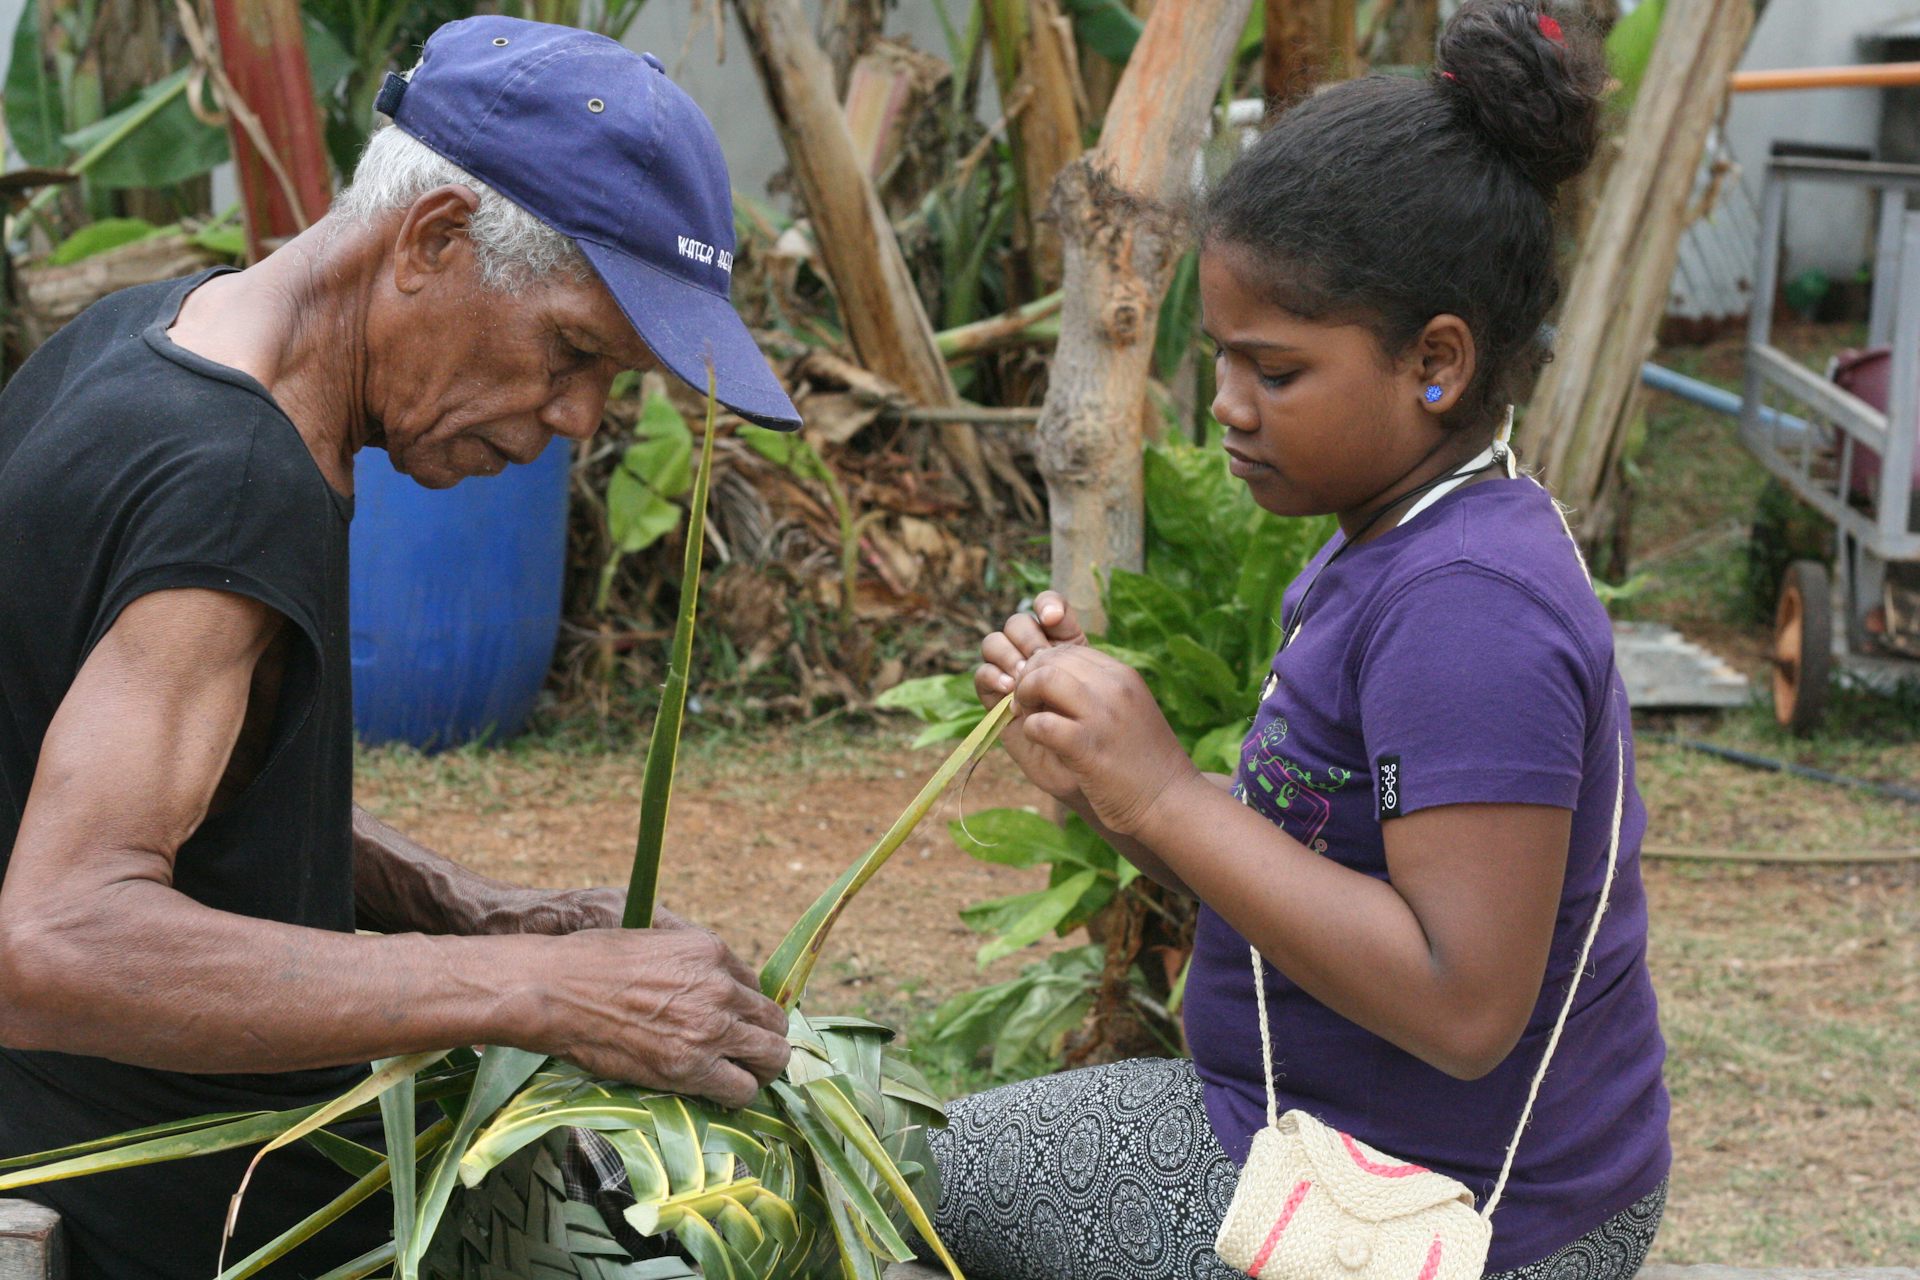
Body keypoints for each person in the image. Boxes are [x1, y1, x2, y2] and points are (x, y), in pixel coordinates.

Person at [0, 18, 798, 1279]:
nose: (578, 418)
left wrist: (469, 906)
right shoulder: (233, 475)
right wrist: (546, 992)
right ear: (431, 240)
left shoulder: (152, 334)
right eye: (574, 350)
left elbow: (163, 786)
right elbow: (57, 941)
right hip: (157, 1211)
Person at [933, 4, 1670, 1278]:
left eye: (1274, 371)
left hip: (1446, 1208)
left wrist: (1169, 791)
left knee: (894, 1173)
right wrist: (1111, 788)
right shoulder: (1393, 540)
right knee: (916, 1165)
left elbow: (1462, 1001)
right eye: (1220, 358)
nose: (1224, 405)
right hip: (1322, 1133)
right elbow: (1321, 862)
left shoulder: (1471, 608)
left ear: (1436, 360)